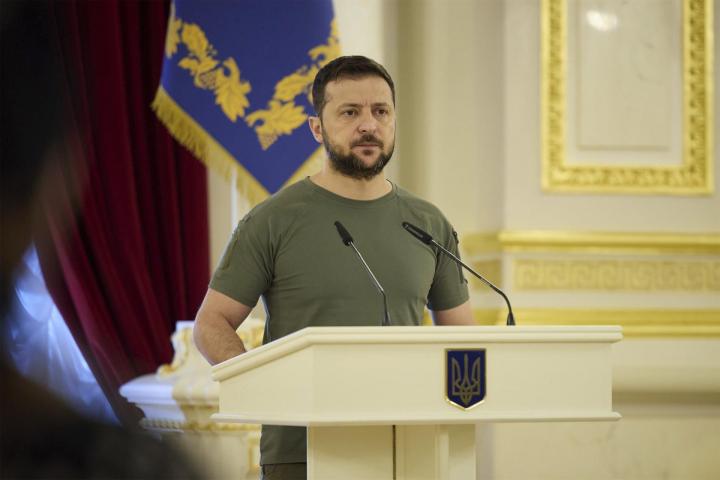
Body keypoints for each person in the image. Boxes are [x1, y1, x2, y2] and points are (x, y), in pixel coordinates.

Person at [193, 55, 474, 480]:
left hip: (410, 445)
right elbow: (211, 324)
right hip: (301, 449)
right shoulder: (272, 220)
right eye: (350, 112)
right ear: (317, 128)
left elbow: (464, 340)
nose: (369, 125)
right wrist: (264, 387)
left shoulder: (429, 223)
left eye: (381, 112)